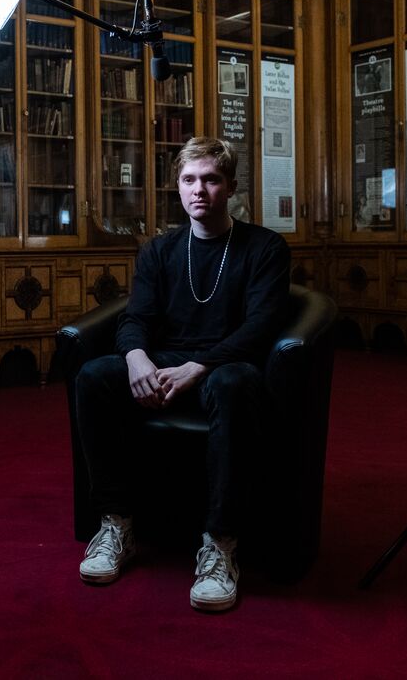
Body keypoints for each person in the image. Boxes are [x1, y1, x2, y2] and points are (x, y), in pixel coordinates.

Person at [73, 136, 290, 612]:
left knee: (235, 383)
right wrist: (136, 359)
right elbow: (136, 318)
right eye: (189, 180)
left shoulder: (265, 247)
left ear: (230, 186)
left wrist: (200, 366)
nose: (199, 190)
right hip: (166, 362)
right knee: (93, 376)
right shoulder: (159, 251)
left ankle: (220, 544)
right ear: (178, 187)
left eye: (211, 179)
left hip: (225, 367)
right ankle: (116, 525)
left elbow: (262, 326)